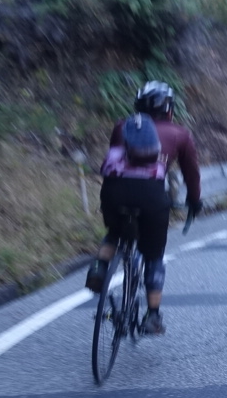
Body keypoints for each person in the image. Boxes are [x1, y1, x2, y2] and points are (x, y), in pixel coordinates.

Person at [84, 81, 201, 335]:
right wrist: (194, 200)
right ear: (169, 109)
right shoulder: (180, 134)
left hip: (114, 192)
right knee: (153, 255)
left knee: (115, 232)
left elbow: (116, 160)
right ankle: (153, 315)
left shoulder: (122, 126)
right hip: (151, 195)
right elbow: (191, 173)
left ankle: (99, 268)